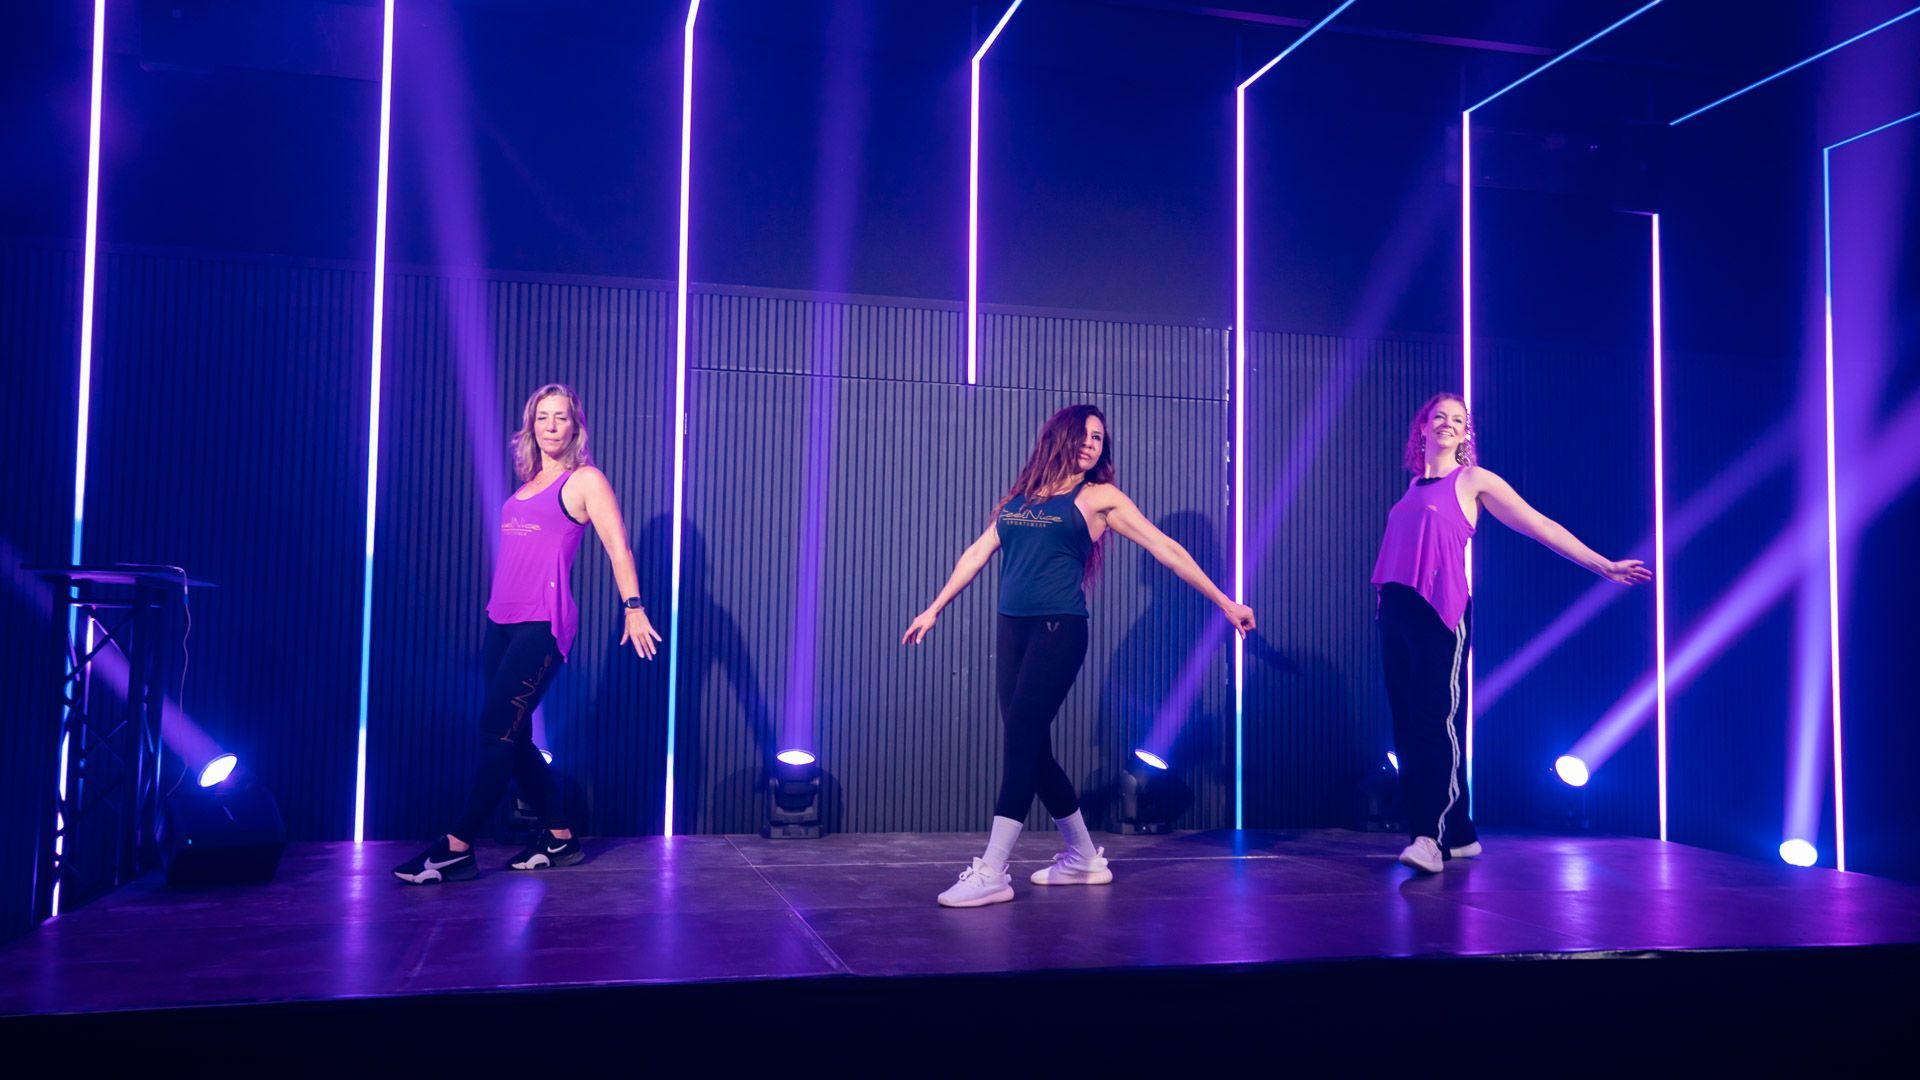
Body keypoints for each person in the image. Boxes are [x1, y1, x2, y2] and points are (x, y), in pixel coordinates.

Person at [903, 404, 1256, 907]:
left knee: (1021, 739)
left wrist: (1225, 602)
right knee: (1032, 747)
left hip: (1058, 630)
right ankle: (1084, 858)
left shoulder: (1098, 498)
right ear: (1062, 436)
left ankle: (994, 870)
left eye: (1099, 439)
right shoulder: (1023, 497)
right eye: (1086, 434)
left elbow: (1165, 548)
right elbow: (979, 552)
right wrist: (934, 608)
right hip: (1013, 631)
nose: (1093, 443)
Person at [1371, 392, 1650, 874]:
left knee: (1434, 724)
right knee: (1406, 727)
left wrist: (1602, 564)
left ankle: (1427, 839)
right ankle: (1458, 833)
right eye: (1439, 417)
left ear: (1465, 435)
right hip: (1397, 610)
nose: (1447, 424)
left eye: (1458, 419)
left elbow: (1538, 524)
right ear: (1422, 428)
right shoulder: (1414, 485)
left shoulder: (1473, 480)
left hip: (1440, 614)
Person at [394, 383, 660, 884]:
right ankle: (560, 838)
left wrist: (633, 607)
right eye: (543, 418)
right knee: (510, 736)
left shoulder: (585, 480)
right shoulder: (528, 482)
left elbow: (618, 547)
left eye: (561, 418)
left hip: (544, 621)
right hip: (501, 621)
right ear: (531, 426)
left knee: (495, 731)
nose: (552, 426)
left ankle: (456, 847)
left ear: (575, 426)